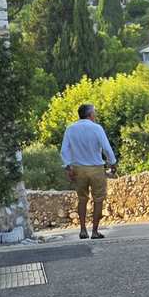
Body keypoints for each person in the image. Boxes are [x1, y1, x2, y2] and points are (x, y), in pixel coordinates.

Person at [57, 103, 117, 240]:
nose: (95, 115)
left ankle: (83, 230)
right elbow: (106, 148)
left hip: (78, 168)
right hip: (96, 168)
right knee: (98, 200)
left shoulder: (70, 129)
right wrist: (112, 163)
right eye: (94, 113)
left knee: (82, 199)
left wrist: (68, 167)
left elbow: (64, 150)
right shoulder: (97, 128)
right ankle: (95, 231)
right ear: (90, 115)